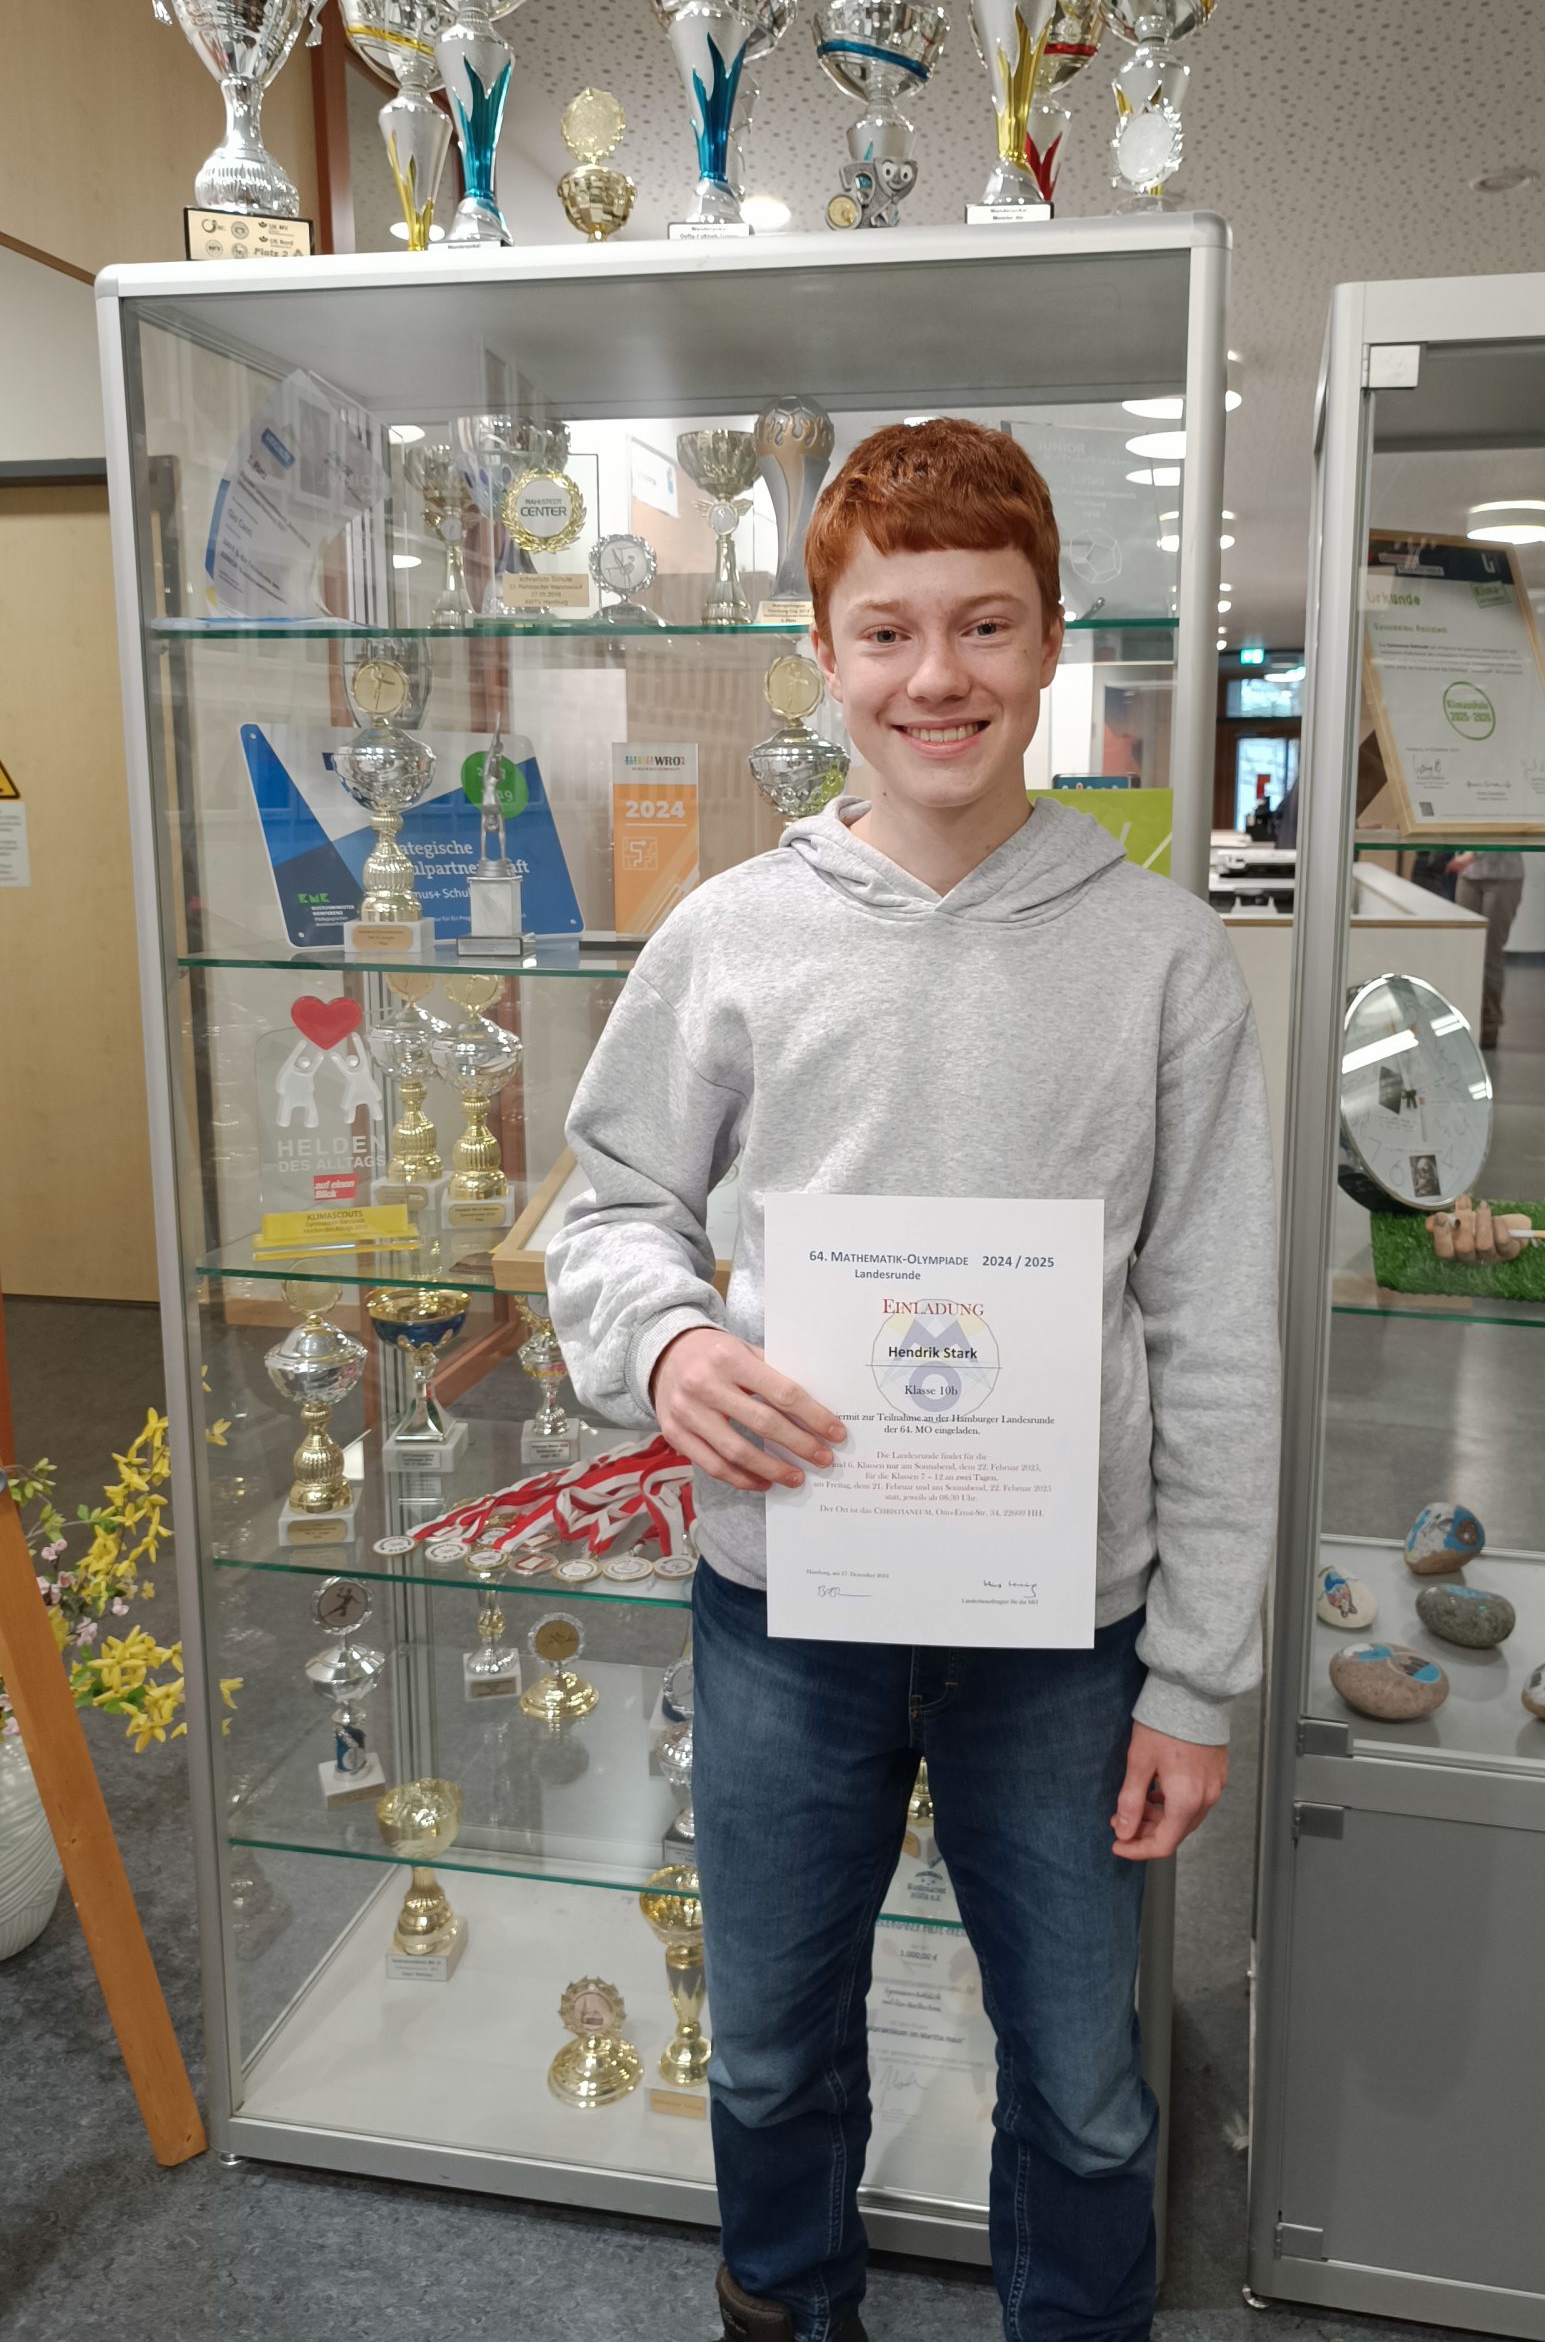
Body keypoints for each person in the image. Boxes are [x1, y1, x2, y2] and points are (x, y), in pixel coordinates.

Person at [546, 419, 1280, 2342]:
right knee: (772, 2050)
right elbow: (607, 1213)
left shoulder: (1161, 961)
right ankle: (791, 2312)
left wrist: (1197, 1672)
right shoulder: (731, 939)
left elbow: (1216, 1331)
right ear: (823, 657)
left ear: (1051, 645)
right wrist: (671, 1341)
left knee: (1088, 2082)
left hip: (1071, 1638)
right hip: (788, 1610)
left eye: (983, 625)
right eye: (886, 631)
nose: (935, 675)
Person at [1446, 849, 1524, 1048]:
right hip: (1468, 874)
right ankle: (1465, 1020)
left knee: (1490, 954)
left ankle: (1489, 1025)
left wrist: (1473, 854)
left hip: (1503, 874)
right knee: (1465, 953)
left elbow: (1508, 832)